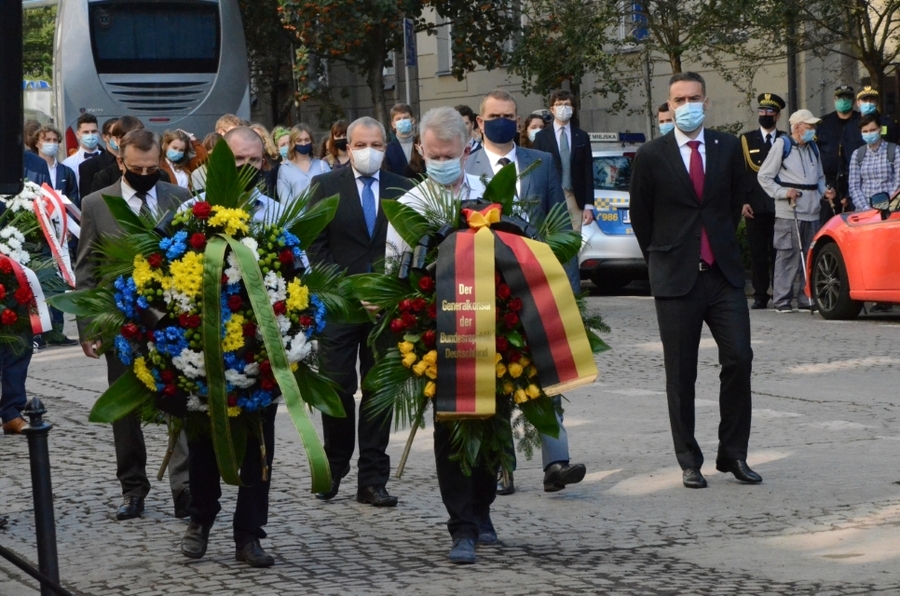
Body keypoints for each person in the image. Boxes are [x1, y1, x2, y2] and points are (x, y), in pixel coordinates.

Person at [630, 72, 760, 490]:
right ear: (668, 106)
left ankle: (733, 454)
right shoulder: (652, 154)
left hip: (722, 275)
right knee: (681, 374)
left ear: (706, 101)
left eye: (694, 98)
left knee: (739, 358)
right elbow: (641, 218)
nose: (687, 105)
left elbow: (730, 202)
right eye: (678, 99)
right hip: (676, 276)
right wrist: (663, 255)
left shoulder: (726, 148)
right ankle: (688, 459)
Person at [387, 106, 497, 564]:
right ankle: (462, 525)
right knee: (451, 429)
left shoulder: (489, 193)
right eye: (432, 154)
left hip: (491, 328)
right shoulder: (409, 206)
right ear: (420, 151)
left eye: (448, 154)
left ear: (466, 148)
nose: (440, 161)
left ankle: (483, 506)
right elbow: (394, 270)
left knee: (491, 422)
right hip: (438, 335)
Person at [465, 89, 585, 497]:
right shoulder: (465, 165)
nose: (502, 121)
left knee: (546, 375)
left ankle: (557, 462)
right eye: (493, 115)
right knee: (494, 377)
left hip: (536, 283)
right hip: (485, 283)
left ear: (518, 121)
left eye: (509, 115)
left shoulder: (542, 162)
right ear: (480, 122)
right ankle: (501, 464)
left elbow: (561, 227)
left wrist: (567, 286)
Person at [76, 129, 192, 521]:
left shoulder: (178, 199)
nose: (146, 173)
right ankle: (133, 487)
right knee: (125, 410)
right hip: (121, 323)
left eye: (153, 167)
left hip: (172, 323)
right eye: (137, 167)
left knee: (181, 402)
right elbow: (87, 270)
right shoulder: (97, 203)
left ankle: (185, 487)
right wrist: (88, 325)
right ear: (120, 162)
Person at [179, 126, 280, 568]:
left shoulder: (276, 213)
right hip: (206, 351)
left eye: (254, 162)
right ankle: (200, 518)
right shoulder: (190, 213)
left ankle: (249, 535)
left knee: (259, 448)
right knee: (203, 441)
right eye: (237, 161)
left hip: (260, 351)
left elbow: (299, 275)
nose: (246, 169)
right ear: (218, 163)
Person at [306, 117, 414, 508]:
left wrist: (389, 290)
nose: (369, 150)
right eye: (360, 144)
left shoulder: (404, 188)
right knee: (336, 388)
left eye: (377, 144)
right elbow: (314, 247)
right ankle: (334, 467)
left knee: (377, 393)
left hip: (385, 311)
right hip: (340, 307)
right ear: (346, 147)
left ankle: (373, 478)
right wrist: (350, 289)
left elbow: (412, 247)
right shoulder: (325, 185)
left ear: (386, 147)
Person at [758, 109, 837, 313]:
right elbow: (764, 176)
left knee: (809, 256)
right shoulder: (782, 145)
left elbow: (819, 176)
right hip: (789, 211)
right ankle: (782, 300)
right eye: (809, 126)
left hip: (812, 210)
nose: (812, 129)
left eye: (813, 126)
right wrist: (783, 192)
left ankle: (806, 298)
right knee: (788, 255)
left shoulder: (813, 148)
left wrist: (824, 191)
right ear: (796, 127)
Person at [32, 125, 80, 347]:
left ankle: (57, 331)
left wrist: (69, 229)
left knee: (59, 280)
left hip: (60, 234)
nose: (52, 143)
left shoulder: (66, 172)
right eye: (47, 139)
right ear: (37, 143)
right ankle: (38, 331)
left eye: (55, 139)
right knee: (38, 280)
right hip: (37, 234)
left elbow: (72, 201)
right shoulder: (31, 168)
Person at [740, 93, 787, 310]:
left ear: (777, 116)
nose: (765, 115)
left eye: (769, 112)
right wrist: (742, 201)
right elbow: (739, 174)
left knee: (779, 251)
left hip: (779, 204)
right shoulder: (746, 140)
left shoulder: (785, 140)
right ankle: (760, 294)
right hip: (755, 205)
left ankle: (780, 293)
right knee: (758, 252)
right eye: (762, 111)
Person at [532, 89, 595, 231]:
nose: (563, 108)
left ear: (572, 109)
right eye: (559, 104)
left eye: (567, 104)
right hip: (551, 194)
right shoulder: (542, 137)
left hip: (575, 196)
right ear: (552, 109)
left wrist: (588, 206)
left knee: (574, 239)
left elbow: (588, 171)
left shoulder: (582, 136)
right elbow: (536, 169)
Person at [817, 85, 858, 220]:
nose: (843, 100)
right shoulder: (823, 123)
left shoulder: (861, 122)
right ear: (834, 99)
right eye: (840, 97)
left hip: (854, 181)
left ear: (853, 100)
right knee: (828, 223)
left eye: (847, 97)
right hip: (830, 183)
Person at [276, 124, 331, 205]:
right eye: (299, 140)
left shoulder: (322, 165)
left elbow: (331, 192)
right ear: (293, 143)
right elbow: (285, 200)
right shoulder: (284, 169)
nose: (304, 144)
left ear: (311, 141)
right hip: (298, 216)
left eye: (307, 140)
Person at [78, 118, 121, 199]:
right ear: (105, 137)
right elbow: (87, 201)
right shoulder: (89, 166)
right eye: (114, 135)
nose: (118, 139)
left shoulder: (132, 163)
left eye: (121, 135)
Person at [62, 113, 103, 194]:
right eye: (86, 132)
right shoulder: (68, 164)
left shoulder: (107, 159)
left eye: (93, 131)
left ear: (98, 133)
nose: (90, 135)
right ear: (78, 134)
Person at [385, 103, 416, 175]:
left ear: (412, 120)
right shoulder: (387, 150)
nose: (402, 121)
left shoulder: (423, 145)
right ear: (393, 124)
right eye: (398, 119)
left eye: (405, 118)